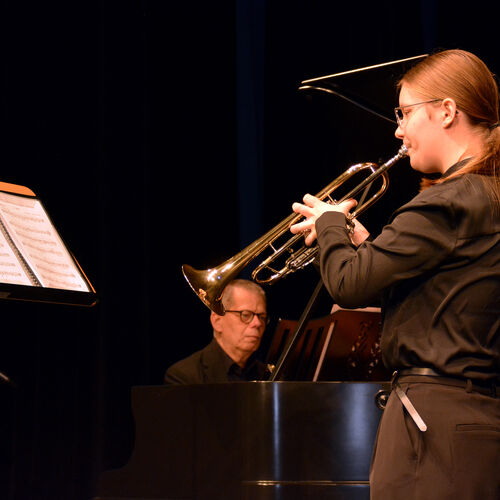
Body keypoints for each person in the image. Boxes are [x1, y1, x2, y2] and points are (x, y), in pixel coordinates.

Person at [290, 49, 500, 500]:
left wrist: (329, 222)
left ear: (447, 111)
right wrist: (367, 249)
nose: (399, 130)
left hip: (435, 422)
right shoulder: (486, 193)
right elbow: (447, 300)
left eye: (405, 113)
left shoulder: (449, 200)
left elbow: (348, 286)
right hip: (467, 417)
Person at [164, 279, 271, 384]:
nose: (257, 323)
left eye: (262, 317)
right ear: (217, 321)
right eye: (246, 315)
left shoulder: (269, 375)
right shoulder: (185, 376)